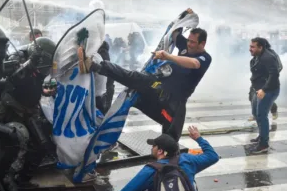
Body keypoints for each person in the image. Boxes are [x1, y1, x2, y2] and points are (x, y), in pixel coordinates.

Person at [77, 8, 211, 142]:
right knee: (134, 78)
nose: (189, 44)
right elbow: (174, 32)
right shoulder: (186, 45)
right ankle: (96, 65)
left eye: (193, 42)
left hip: (176, 100)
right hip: (160, 87)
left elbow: (193, 63)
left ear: (202, 44)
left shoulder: (205, 58)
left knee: (172, 134)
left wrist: (168, 56)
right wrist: (185, 15)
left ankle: (163, 148)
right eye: (188, 40)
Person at [85, 126, 219, 191]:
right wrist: (199, 138)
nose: (151, 148)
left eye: (153, 146)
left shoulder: (152, 170)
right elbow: (213, 156)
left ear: (160, 151)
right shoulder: (189, 159)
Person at [249, 37, 280, 153]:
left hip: (268, 91)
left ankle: (263, 144)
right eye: (250, 46)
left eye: (253, 47)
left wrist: (264, 89)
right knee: (255, 113)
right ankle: (261, 135)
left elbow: (274, 75)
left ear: (260, 47)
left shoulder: (268, 57)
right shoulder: (258, 56)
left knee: (262, 115)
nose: (250, 49)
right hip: (258, 89)